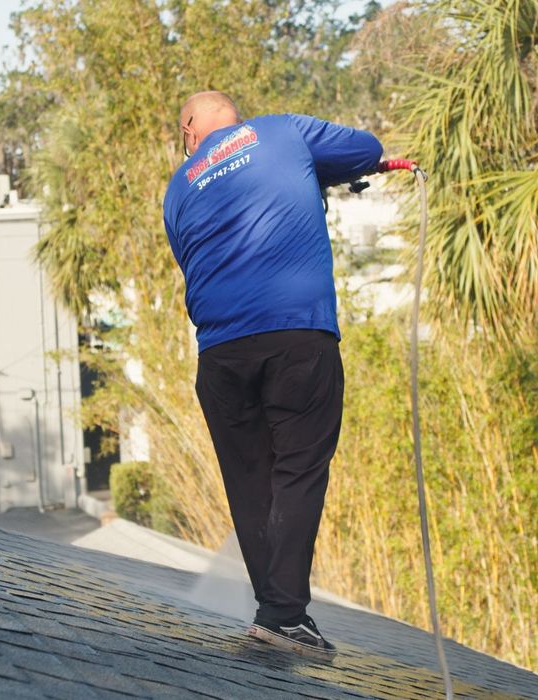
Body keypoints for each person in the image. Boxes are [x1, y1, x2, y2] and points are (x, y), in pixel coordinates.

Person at [163, 91, 383, 658]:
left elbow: (197, 259)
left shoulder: (179, 187)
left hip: (220, 354)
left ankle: (277, 615)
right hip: (296, 339)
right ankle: (282, 615)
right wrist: (324, 175)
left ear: (191, 130)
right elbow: (367, 148)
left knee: (250, 480)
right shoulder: (283, 132)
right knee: (298, 470)